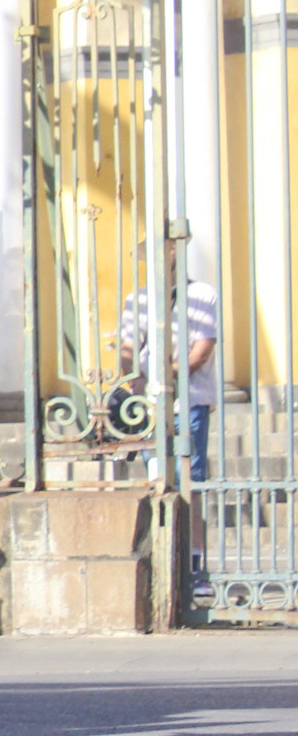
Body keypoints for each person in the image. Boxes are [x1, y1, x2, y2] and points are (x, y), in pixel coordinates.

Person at [117, 240, 221, 595]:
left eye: (169, 255)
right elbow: (128, 352)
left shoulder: (203, 294)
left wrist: (163, 376)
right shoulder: (139, 300)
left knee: (190, 481)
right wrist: (140, 382)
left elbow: (201, 352)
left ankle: (193, 568)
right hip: (149, 403)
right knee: (157, 479)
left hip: (189, 400)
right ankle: (161, 566)